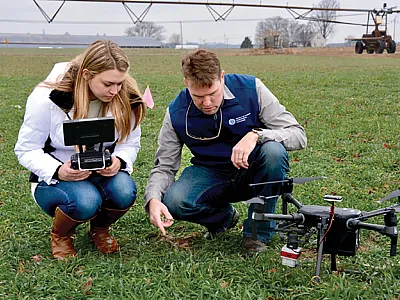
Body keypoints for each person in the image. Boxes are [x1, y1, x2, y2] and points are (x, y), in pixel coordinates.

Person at [145, 49, 306, 253]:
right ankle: (224, 218)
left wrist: (257, 135)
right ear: (186, 83)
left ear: (222, 77)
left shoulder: (252, 89)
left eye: (213, 93)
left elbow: (298, 135)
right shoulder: (176, 112)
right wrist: (153, 199)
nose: (207, 103)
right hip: (210, 173)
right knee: (175, 201)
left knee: (273, 152)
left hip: (253, 171)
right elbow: (164, 166)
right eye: (198, 96)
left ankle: (257, 233)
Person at [14, 40, 146, 260]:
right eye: (108, 84)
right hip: (55, 179)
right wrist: (58, 170)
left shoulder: (126, 96)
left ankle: (100, 230)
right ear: (86, 74)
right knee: (85, 201)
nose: (115, 90)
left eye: (120, 83)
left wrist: (119, 161)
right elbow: (26, 149)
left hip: (101, 173)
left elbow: (130, 142)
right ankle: (61, 235)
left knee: (124, 190)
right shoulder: (46, 98)